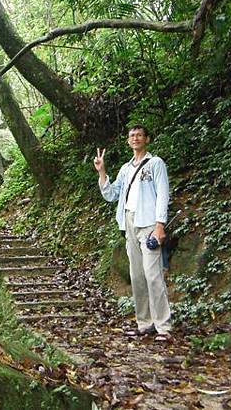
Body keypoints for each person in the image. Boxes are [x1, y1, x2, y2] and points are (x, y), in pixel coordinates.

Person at [94, 124, 172, 338]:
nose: (135, 138)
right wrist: (102, 172)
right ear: (128, 141)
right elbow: (111, 194)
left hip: (149, 223)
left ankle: (163, 326)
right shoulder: (126, 169)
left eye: (139, 135)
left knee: (153, 274)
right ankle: (144, 323)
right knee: (136, 275)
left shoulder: (156, 163)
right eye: (132, 136)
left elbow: (163, 195)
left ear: (147, 139)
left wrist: (159, 225)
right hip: (129, 221)